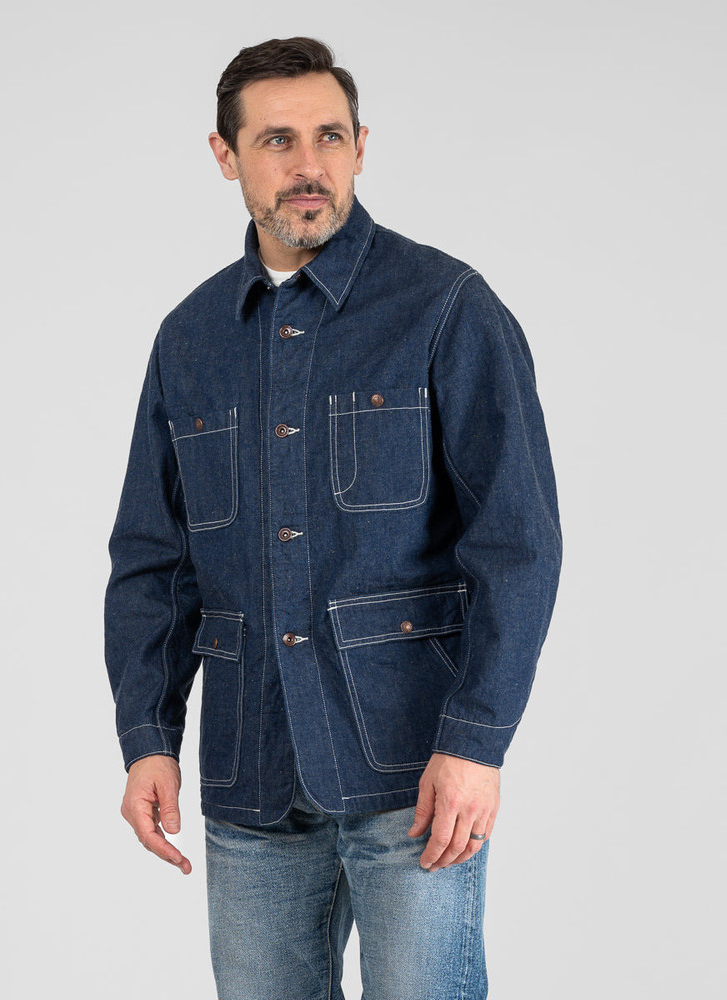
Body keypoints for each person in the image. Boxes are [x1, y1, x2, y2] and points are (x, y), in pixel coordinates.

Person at [104, 35, 562, 999]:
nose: (308, 164)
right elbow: (154, 560)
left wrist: (476, 742)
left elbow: (517, 543)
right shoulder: (190, 338)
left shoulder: (444, 307)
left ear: (361, 146)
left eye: (330, 136)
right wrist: (148, 735)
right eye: (277, 140)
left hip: (414, 775)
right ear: (226, 156)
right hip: (252, 776)